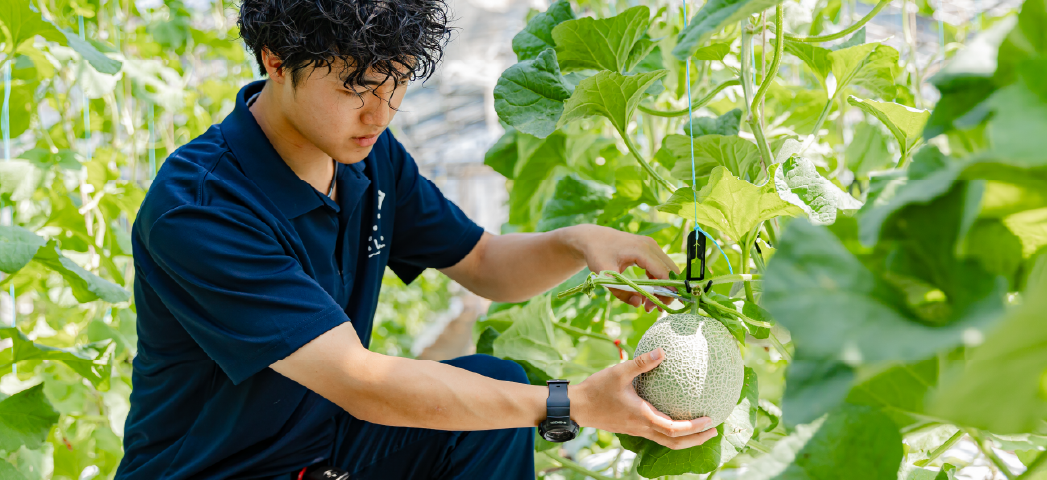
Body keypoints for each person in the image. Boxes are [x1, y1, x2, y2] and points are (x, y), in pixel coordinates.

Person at [115, 0, 717, 478]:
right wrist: (569, 403)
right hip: (223, 470)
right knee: (512, 399)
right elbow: (358, 380)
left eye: (396, 84)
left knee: (496, 384)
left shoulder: (367, 161)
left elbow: (483, 262)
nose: (381, 114)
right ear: (275, 59)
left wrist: (578, 242)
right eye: (355, 86)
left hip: (327, 451)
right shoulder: (200, 208)